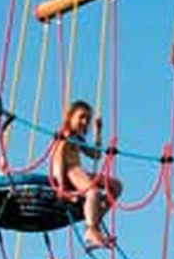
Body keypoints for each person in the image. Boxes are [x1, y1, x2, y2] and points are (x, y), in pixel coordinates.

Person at [51, 100, 123, 248]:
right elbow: (58, 158)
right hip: (68, 170)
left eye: (87, 119)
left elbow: (96, 155)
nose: (84, 122)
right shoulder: (64, 135)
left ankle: (94, 220)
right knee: (94, 192)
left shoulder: (77, 138)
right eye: (81, 117)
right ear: (70, 117)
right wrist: (61, 186)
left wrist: (97, 133)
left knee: (116, 186)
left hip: (77, 170)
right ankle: (91, 230)